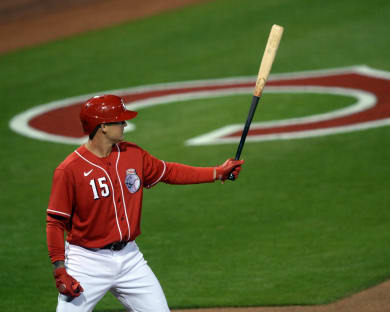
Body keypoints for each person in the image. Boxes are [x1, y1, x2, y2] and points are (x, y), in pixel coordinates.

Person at [46, 94, 244, 311]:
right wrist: (60, 270)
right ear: (102, 126)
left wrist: (217, 172)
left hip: (129, 258)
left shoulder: (133, 154)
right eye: (119, 120)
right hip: (86, 262)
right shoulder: (69, 170)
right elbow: (55, 222)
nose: (124, 124)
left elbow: (170, 172)